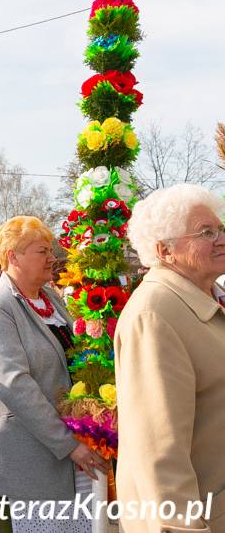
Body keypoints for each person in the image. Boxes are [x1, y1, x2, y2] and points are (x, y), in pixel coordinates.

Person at [0, 216, 108, 532]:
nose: (51, 258)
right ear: (12, 257)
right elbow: (13, 383)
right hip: (25, 462)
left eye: (50, 250)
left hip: (66, 454)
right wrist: (69, 443)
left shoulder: (52, 299)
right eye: (42, 251)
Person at [115, 184, 225, 532]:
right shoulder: (156, 313)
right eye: (205, 232)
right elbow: (159, 454)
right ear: (165, 251)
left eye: (220, 228)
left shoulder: (208, 296)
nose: (221, 238)